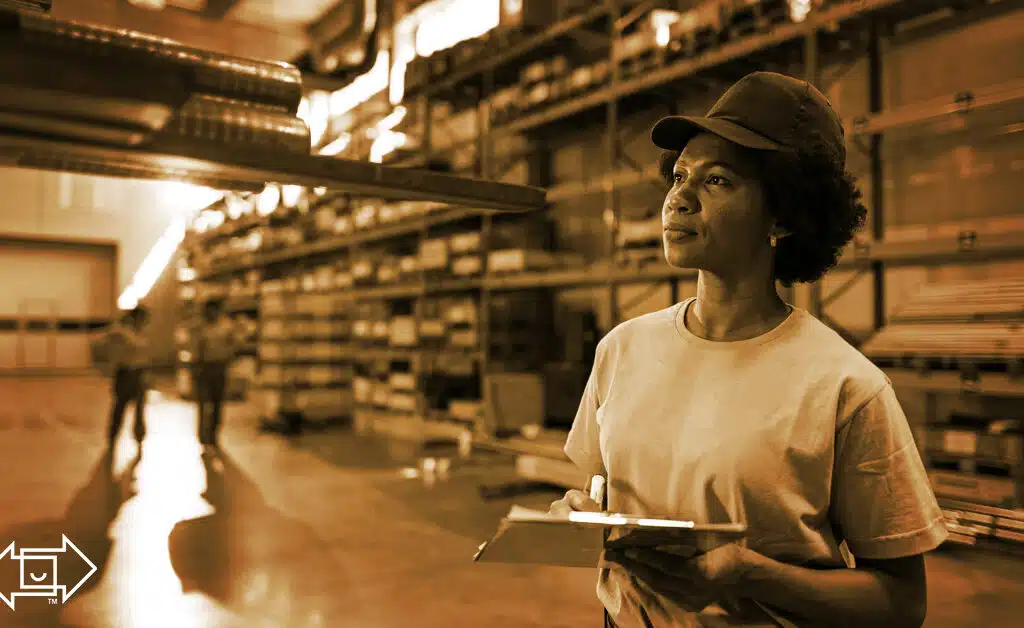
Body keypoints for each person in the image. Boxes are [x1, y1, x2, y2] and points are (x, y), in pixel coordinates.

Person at [551, 72, 947, 628]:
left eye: (716, 181)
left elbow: (902, 605)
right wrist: (583, 516)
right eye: (679, 175)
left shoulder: (844, 387)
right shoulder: (623, 350)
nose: (679, 199)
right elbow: (601, 490)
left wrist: (749, 573)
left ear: (782, 216)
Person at [93, 306, 151, 449]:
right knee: (120, 407)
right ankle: (112, 436)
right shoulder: (120, 332)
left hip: (140, 373)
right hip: (125, 372)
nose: (144, 322)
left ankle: (139, 436)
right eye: (141, 318)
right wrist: (106, 365)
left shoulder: (141, 334)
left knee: (140, 408)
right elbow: (98, 342)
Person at [193, 300, 237, 448]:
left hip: (219, 367)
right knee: (204, 403)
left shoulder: (227, 326)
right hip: (204, 368)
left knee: (218, 403)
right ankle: (202, 435)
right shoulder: (200, 327)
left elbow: (233, 345)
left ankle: (214, 434)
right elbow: (196, 348)